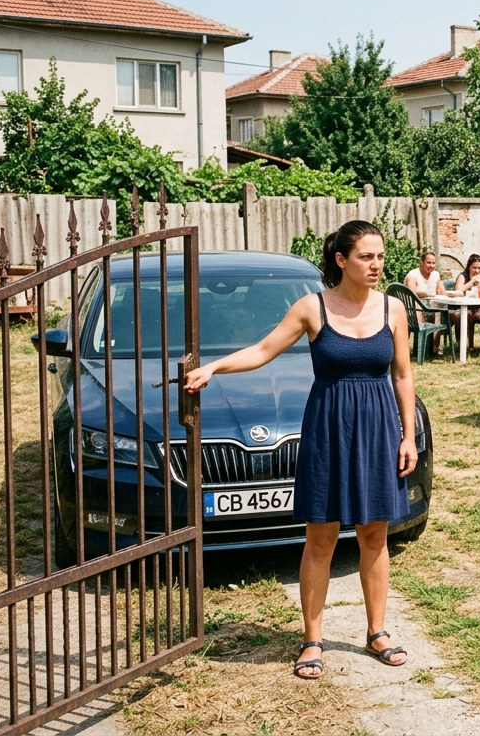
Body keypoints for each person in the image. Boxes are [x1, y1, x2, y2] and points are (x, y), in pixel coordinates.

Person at [183, 219, 415, 679]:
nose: (376, 265)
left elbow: (403, 375)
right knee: (321, 537)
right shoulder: (313, 307)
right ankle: (312, 638)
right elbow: (263, 350)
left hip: (378, 429)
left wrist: (407, 436)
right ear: (341, 260)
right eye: (366, 257)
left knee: (374, 535)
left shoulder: (393, 309)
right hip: (328, 429)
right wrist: (213, 368)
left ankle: (377, 631)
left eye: (380, 256)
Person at [452, 254, 480, 354]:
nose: (477, 271)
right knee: (464, 314)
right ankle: (463, 345)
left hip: (479, 307)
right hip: (465, 307)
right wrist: (471, 282)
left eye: (479, 268)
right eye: (474, 268)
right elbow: (457, 290)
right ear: (469, 267)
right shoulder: (463, 276)